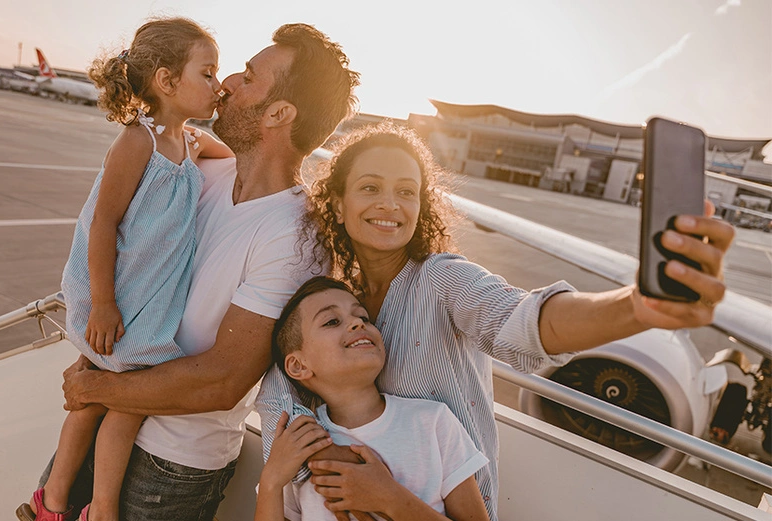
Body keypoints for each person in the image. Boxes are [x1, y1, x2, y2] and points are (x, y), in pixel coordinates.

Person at [256, 121, 735, 521]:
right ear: (337, 204)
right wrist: (326, 466)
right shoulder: (341, 303)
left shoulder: (442, 279)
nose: (390, 204)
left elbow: (526, 322)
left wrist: (634, 308)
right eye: (369, 188)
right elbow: (281, 389)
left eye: (407, 191)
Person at [44, 23, 361, 520]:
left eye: (249, 77)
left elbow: (224, 379)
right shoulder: (200, 174)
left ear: (279, 113)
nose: (228, 82)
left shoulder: (294, 238)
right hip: (107, 414)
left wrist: (96, 385)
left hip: (170, 465)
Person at [18, 17, 231, 521]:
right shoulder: (139, 142)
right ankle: (96, 509)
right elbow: (102, 224)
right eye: (207, 73)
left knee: (102, 398)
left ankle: (53, 503)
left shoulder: (186, 141)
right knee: (121, 403)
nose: (217, 86)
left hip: (144, 300)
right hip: (119, 301)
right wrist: (104, 304)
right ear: (166, 80)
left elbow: (227, 155)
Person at [256, 277, 490, 521]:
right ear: (298, 366)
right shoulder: (296, 446)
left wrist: (391, 498)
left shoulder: (432, 421)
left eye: (364, 317)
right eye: (332, 321)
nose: (357, 323)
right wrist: (271, 480)